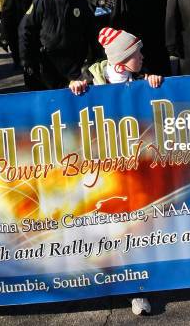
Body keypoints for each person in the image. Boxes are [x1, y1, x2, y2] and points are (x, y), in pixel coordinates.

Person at [67, 26, 163, 318]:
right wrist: (74, 87)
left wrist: (155, 81)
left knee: (134, 229)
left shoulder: (142, 79)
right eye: (137, 54)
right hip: (100, 171)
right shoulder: (90, 79)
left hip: (133, 169)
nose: (143, 56)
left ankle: (138, 289)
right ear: (121, 61)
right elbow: (68, 107)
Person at [18, 0, 97, 90]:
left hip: (75, 63)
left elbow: (91, 29)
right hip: (49, 64)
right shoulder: (43, 2)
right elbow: (25, 30)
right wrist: (26, 59)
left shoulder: (79, 1)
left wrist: (95, 56)